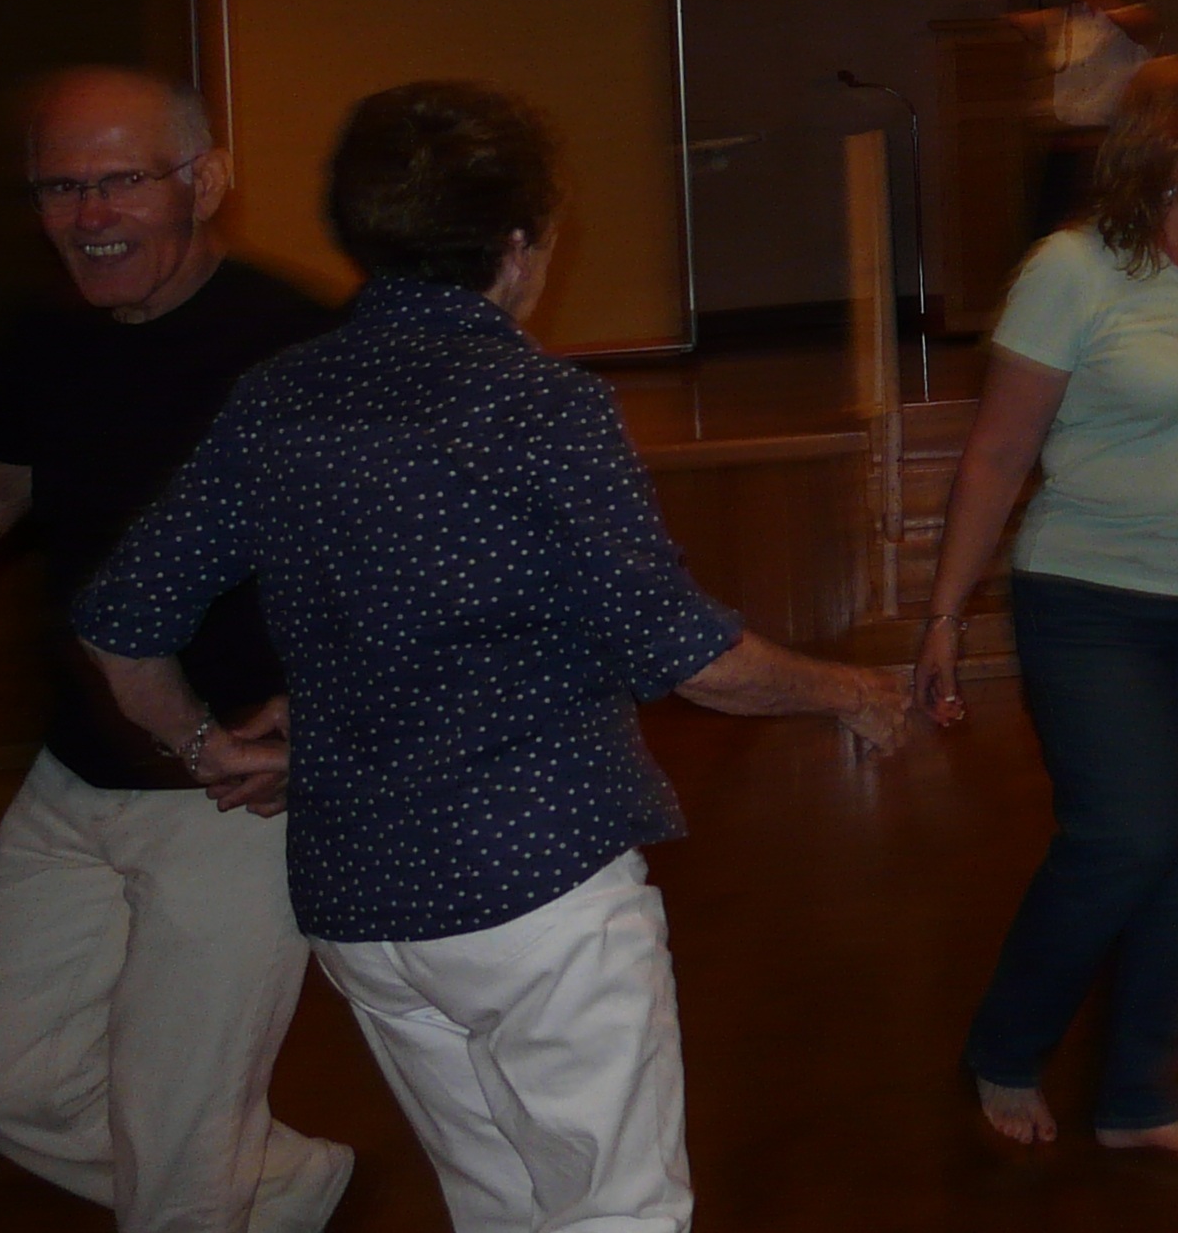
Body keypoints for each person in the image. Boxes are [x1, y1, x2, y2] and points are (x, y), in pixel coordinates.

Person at [74, 82, 912, 1233]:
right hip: (533, 892)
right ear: (518, 247)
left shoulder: (278, 400)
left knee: (502, 1207)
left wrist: (200, 745)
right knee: (617, 1214)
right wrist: (852, 691)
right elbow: (691, 656)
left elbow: (120, 622)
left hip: (366, 911)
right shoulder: (539, 406)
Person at [914, 56, 1178, 1166]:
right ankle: (1008, 1049)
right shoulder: (1071, 270)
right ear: (1155, 146)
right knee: (1124, 836)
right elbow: (999, 450)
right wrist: (945, 616)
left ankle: (1140, 1095)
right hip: (1093, 600)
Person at [0, 69, 352, 1233]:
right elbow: (1, 490)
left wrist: (316, 729)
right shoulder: (42, 336)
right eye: (60, 187)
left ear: (207, 180)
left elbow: (381, 574)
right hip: (75, 777)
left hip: (230, 795)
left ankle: (216, 1193)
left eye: (123, 181)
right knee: (7, 1077)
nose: (90, 216)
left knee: (178, 1136)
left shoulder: (297, 348)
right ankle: (281, 1190)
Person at [1007, 0, 1157, 234]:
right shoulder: (1063, 21)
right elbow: (1015, 18)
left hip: (1113, 151)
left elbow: (1120, 12)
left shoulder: (1136, 18)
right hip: (1064, 153)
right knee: (1050, 237)